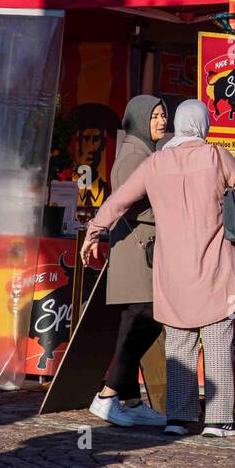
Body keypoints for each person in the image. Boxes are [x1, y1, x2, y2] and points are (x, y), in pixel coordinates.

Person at [83, 100, 235, 439]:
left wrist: (93, 231)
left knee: (179, 345)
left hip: (171, 271)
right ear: (204, 124)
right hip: (215, 266)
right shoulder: (217, 156)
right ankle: (218, 421)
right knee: (218, 342)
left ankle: (177, 418)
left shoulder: (155, 162)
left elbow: (118, 201)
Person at [88, 96, 170, 428]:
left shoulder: (144, 152)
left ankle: (131, 399)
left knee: (134, 325)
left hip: (138, 247)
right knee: (145, 319)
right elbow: (127, 201)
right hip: (139, 248)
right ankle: (107, 396)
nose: (162, 120)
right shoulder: (136, 155)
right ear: (138, 119)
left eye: (164, 114)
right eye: (154, 116)